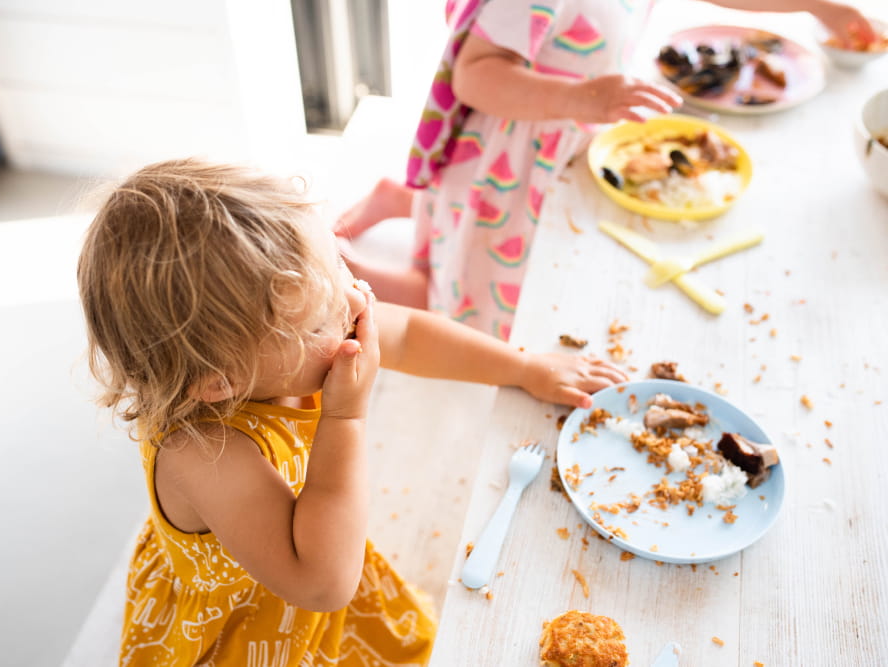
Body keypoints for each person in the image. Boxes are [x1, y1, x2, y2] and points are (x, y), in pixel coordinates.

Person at [77, 158, 628, 667]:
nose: (354, 303)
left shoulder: (308, 325)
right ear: (218, 383)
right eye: (320, 321)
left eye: (337, 269)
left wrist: (524, 368)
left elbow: (408, 333)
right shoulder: (200, 452)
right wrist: (346, 419)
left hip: (322, 544)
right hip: (251, 620)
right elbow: (320, 583)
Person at [335, 0, 877, 341]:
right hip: (510, 149)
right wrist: (587, 97)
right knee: (467, 296)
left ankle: (401, 199)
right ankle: (345, 271)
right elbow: (474, 76)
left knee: (471, 226)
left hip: (566, 132)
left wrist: (817, 7)